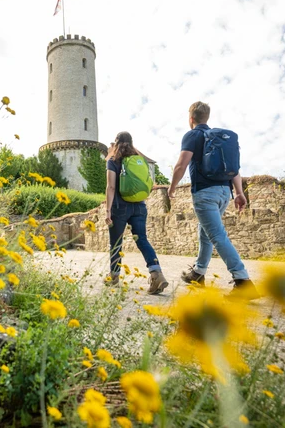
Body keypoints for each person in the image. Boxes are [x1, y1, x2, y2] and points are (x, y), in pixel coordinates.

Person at [168, 101, 259, 298]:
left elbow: (181, 164)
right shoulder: (219, 139)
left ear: (191, 119)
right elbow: (233, 169)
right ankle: (198, 273)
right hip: (224, 193)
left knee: (217, 235)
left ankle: (242, 280)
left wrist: (172, 188)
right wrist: (239, 193)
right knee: (205, 232)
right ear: (206, 118)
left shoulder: (192, 135)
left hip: (205, 193)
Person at [105, 132, 168, 294]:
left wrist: (107, 211)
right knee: (142, 240)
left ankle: (114, 277)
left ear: (116, 144)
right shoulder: (140, 161)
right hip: (139, 206)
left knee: (116, 243)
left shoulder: (114, 162)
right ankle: (157, 274)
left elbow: (111, 187)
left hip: (119, 207)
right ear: (131, 143)